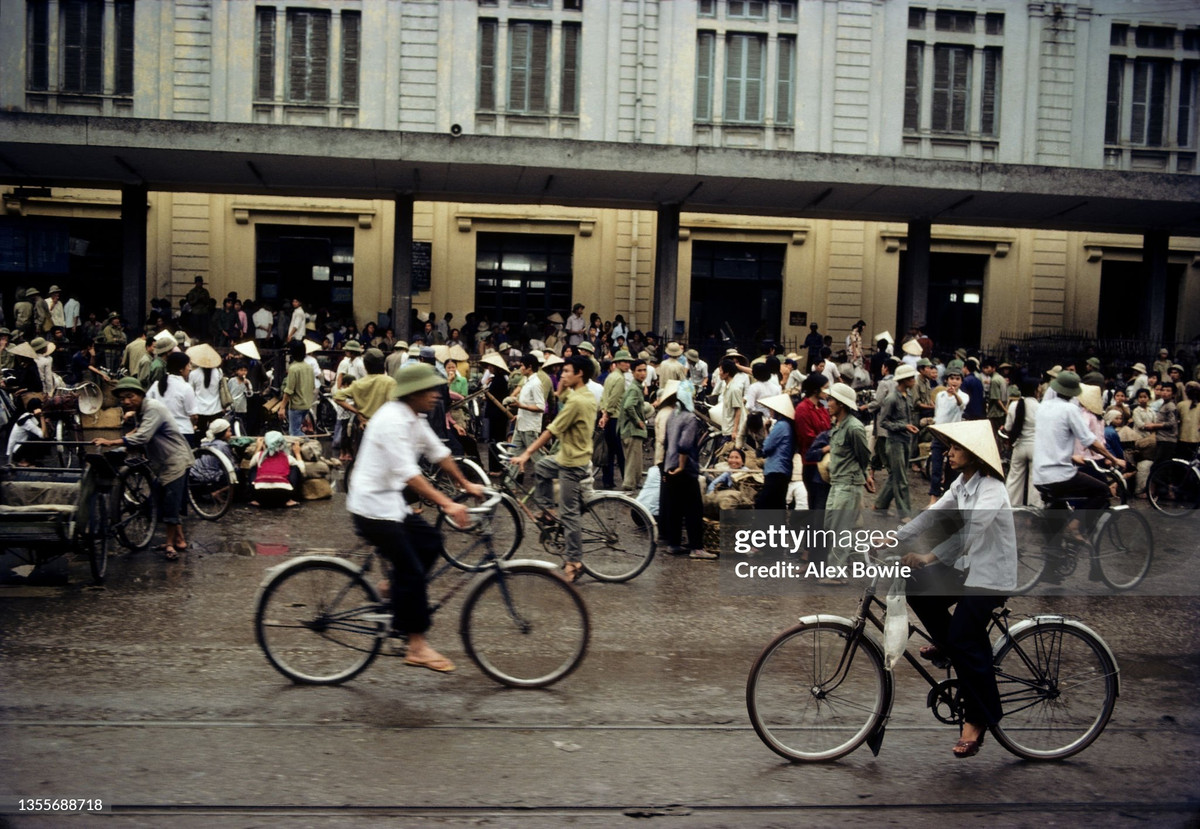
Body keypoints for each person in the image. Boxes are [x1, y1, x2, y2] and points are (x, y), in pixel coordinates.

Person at [893, 419, 1017, 758]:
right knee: (915, 585)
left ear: (974, 455)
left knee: (965, 637)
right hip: (966, 571)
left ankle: (977, 721)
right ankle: (949, 646)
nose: (949, 453)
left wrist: (928, 556)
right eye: (950, 447)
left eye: (956, 448)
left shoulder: (992, 489)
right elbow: (932, 514)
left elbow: (968, 536)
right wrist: (893, 537)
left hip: (990, 578)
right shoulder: (962, 484)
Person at [348, 362, 482, 671]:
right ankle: (417, 646)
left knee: (431, 541)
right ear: (414, 393)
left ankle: (392, 588)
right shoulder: (391, 421)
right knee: (411, 570)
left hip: (390, 505)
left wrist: (466, 484)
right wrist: (448, 503)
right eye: (431, 389)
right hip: (371, 509)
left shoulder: (413, 418)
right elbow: (410, 474)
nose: (437, 395)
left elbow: (440, 453)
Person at [510, 355, 597, 582]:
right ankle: (548, 511)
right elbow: (559, 395)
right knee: (542, 468)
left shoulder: (578, 402)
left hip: (572, 463)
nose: (563, 375)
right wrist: (562, 383)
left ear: (579, 374)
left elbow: (551, 430)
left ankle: (574, 562)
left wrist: (526, 453)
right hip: (567, 456)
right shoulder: (583, 394)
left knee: (569, 515)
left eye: (567, 371)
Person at [93, 377, 194, 559]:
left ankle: (170, 545)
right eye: (122, 398)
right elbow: (137, 431)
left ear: (141, 394)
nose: (126, 402)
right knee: (160, 499)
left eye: (130, 396)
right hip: (162, 462)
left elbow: (142, 437)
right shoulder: (141, 410)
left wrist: (112, 442)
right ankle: (179, 540)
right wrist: (122, 444)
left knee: (171, 503)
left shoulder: (153, 408)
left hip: (175, 460)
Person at [1031, 371, 1125, 537]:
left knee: (1055, 531)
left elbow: (1052, 440)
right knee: (1102, 490)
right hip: (1060, 476)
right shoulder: (1070, 409)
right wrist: (1114, 458)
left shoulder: (1042, 407)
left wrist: (1070, 457)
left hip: (1039, 475)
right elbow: (1090, 441)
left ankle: (1055, 553)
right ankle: (1075, 527)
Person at [823, 382, 871, 570]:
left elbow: (864, 456)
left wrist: (864, 476)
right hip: (837, 482)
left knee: (840, 529)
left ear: (841, 404)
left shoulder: (854, 428)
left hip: (848, 484)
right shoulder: (838, 425)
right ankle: (858, 557)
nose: (828, 404)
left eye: (830, 400)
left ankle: (836, 571)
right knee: (832, 525)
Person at [875, 363, 919, 519]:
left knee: (896, 475)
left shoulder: (908, 396)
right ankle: (904, 513)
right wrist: (903, 426)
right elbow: (884, 422)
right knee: (901, 479)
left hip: (906, 439)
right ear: (904, 380)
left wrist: (908, 427)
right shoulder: (892, 398)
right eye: (911, 378)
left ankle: (880, 504)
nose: (914, 380)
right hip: (895, 442)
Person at [1003, 380, 1041, 507]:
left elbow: (1008, 428)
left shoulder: (1014, 405)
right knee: (1034, 480)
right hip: (1036, 447)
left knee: (1014, 479)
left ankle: (1010, 507)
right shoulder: (1040, 407)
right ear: (1036, 391)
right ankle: (1034, 508)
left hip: (1019, 446)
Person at [598, 349, 632, 489]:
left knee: (609, 451)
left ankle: (608, 480)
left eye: (628, 362)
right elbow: (613, 400)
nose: (627, 365)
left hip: (608, 416)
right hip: (615, 418)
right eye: (625, 362)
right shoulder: (619, 378)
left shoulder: (611, 377)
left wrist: (603, 414)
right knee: (621, 452)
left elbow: (604, 398)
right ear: (617, 363)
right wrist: (607, 415)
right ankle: (627, 481)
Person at [756, 394, 796, 510]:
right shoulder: (787, 426)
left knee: (764, 504)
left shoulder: (781, 426)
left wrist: (766, 431)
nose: (770, 411)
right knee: (777, 505)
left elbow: (767, 447)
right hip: (783, 470)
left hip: (776, 470)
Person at [248, 431, 305, 508]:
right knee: (295, 468)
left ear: (265, 444)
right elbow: (302, 470)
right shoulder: (287, 457)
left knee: (253, 467)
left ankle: (255, 500)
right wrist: (297, 454)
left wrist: (258, 448)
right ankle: (291, 499)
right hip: (284, 496)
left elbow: (250, 465)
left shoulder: (259, 456)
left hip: (260, 495)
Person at [618, 359, 648, 493]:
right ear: (633, 372)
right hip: (631, 430)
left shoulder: (637, 387)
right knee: (632, 461)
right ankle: (629, 486)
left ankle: (634, 483)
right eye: (639, 370)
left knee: (636, 460)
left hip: (631, 430)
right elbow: (628, 406)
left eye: (644, 370)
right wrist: (638, 421)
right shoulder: (634, 389)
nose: (643, 373)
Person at [281, 340, 315, 437]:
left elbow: (289, 390)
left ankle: (311, 445)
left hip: (296, 406)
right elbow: (312, 386)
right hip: (307, 404)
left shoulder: (293, 368)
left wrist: (282, 407)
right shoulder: (309, 367)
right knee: (296, 431)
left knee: (294, 433)